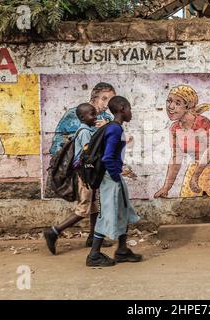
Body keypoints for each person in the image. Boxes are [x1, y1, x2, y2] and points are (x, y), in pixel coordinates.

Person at [43, 103, 112, 255]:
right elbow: (89, 153)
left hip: (88, 174)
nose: (95, 117)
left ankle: (93, 237)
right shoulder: (85, 132)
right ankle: (55, 231)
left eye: (95, 114)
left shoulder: (85, 130)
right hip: (84, 175)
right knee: (83, 209)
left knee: (94, 206)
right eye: (92, 115)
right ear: (82, 117)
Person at [86, 96, 142, 267]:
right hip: (111, 178)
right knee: (107, 214)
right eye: (130, 108)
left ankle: (122, 250)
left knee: (123, 211)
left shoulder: (114, 128)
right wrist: (116, 176)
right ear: (122, 108)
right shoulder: (115, 129)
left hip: (114, 176)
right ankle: (94, 255)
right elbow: (108, 157)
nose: (131, 112)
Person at [154, 85, 210, 198]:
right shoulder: (175, 128)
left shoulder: (202, 122)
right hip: (197, 166)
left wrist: (195, 176)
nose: (170, 106)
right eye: (169, 101)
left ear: (188, 106)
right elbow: (176, 158)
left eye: (177, 103)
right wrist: (166, 188)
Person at [49, 82, 115, 156]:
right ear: (94, 96)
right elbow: (58, 142)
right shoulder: (74, 113)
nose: (107, 104)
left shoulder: (108, 118)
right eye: (104, 99)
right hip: (74, 162)